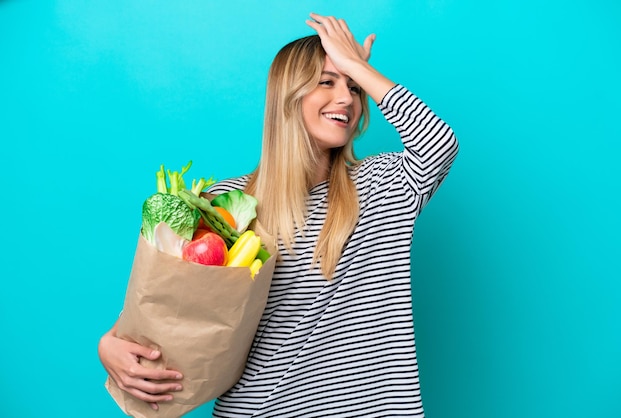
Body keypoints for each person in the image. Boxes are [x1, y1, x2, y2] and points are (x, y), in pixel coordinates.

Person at [99, 13, 459, 417]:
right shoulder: (228, 204)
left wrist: (357, 65)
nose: (347, 99)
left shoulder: (381, 187)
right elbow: (177, 302)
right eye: (328, 81)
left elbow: (439, 144)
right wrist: (110, 342)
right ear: (289, 94)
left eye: (355, 89)